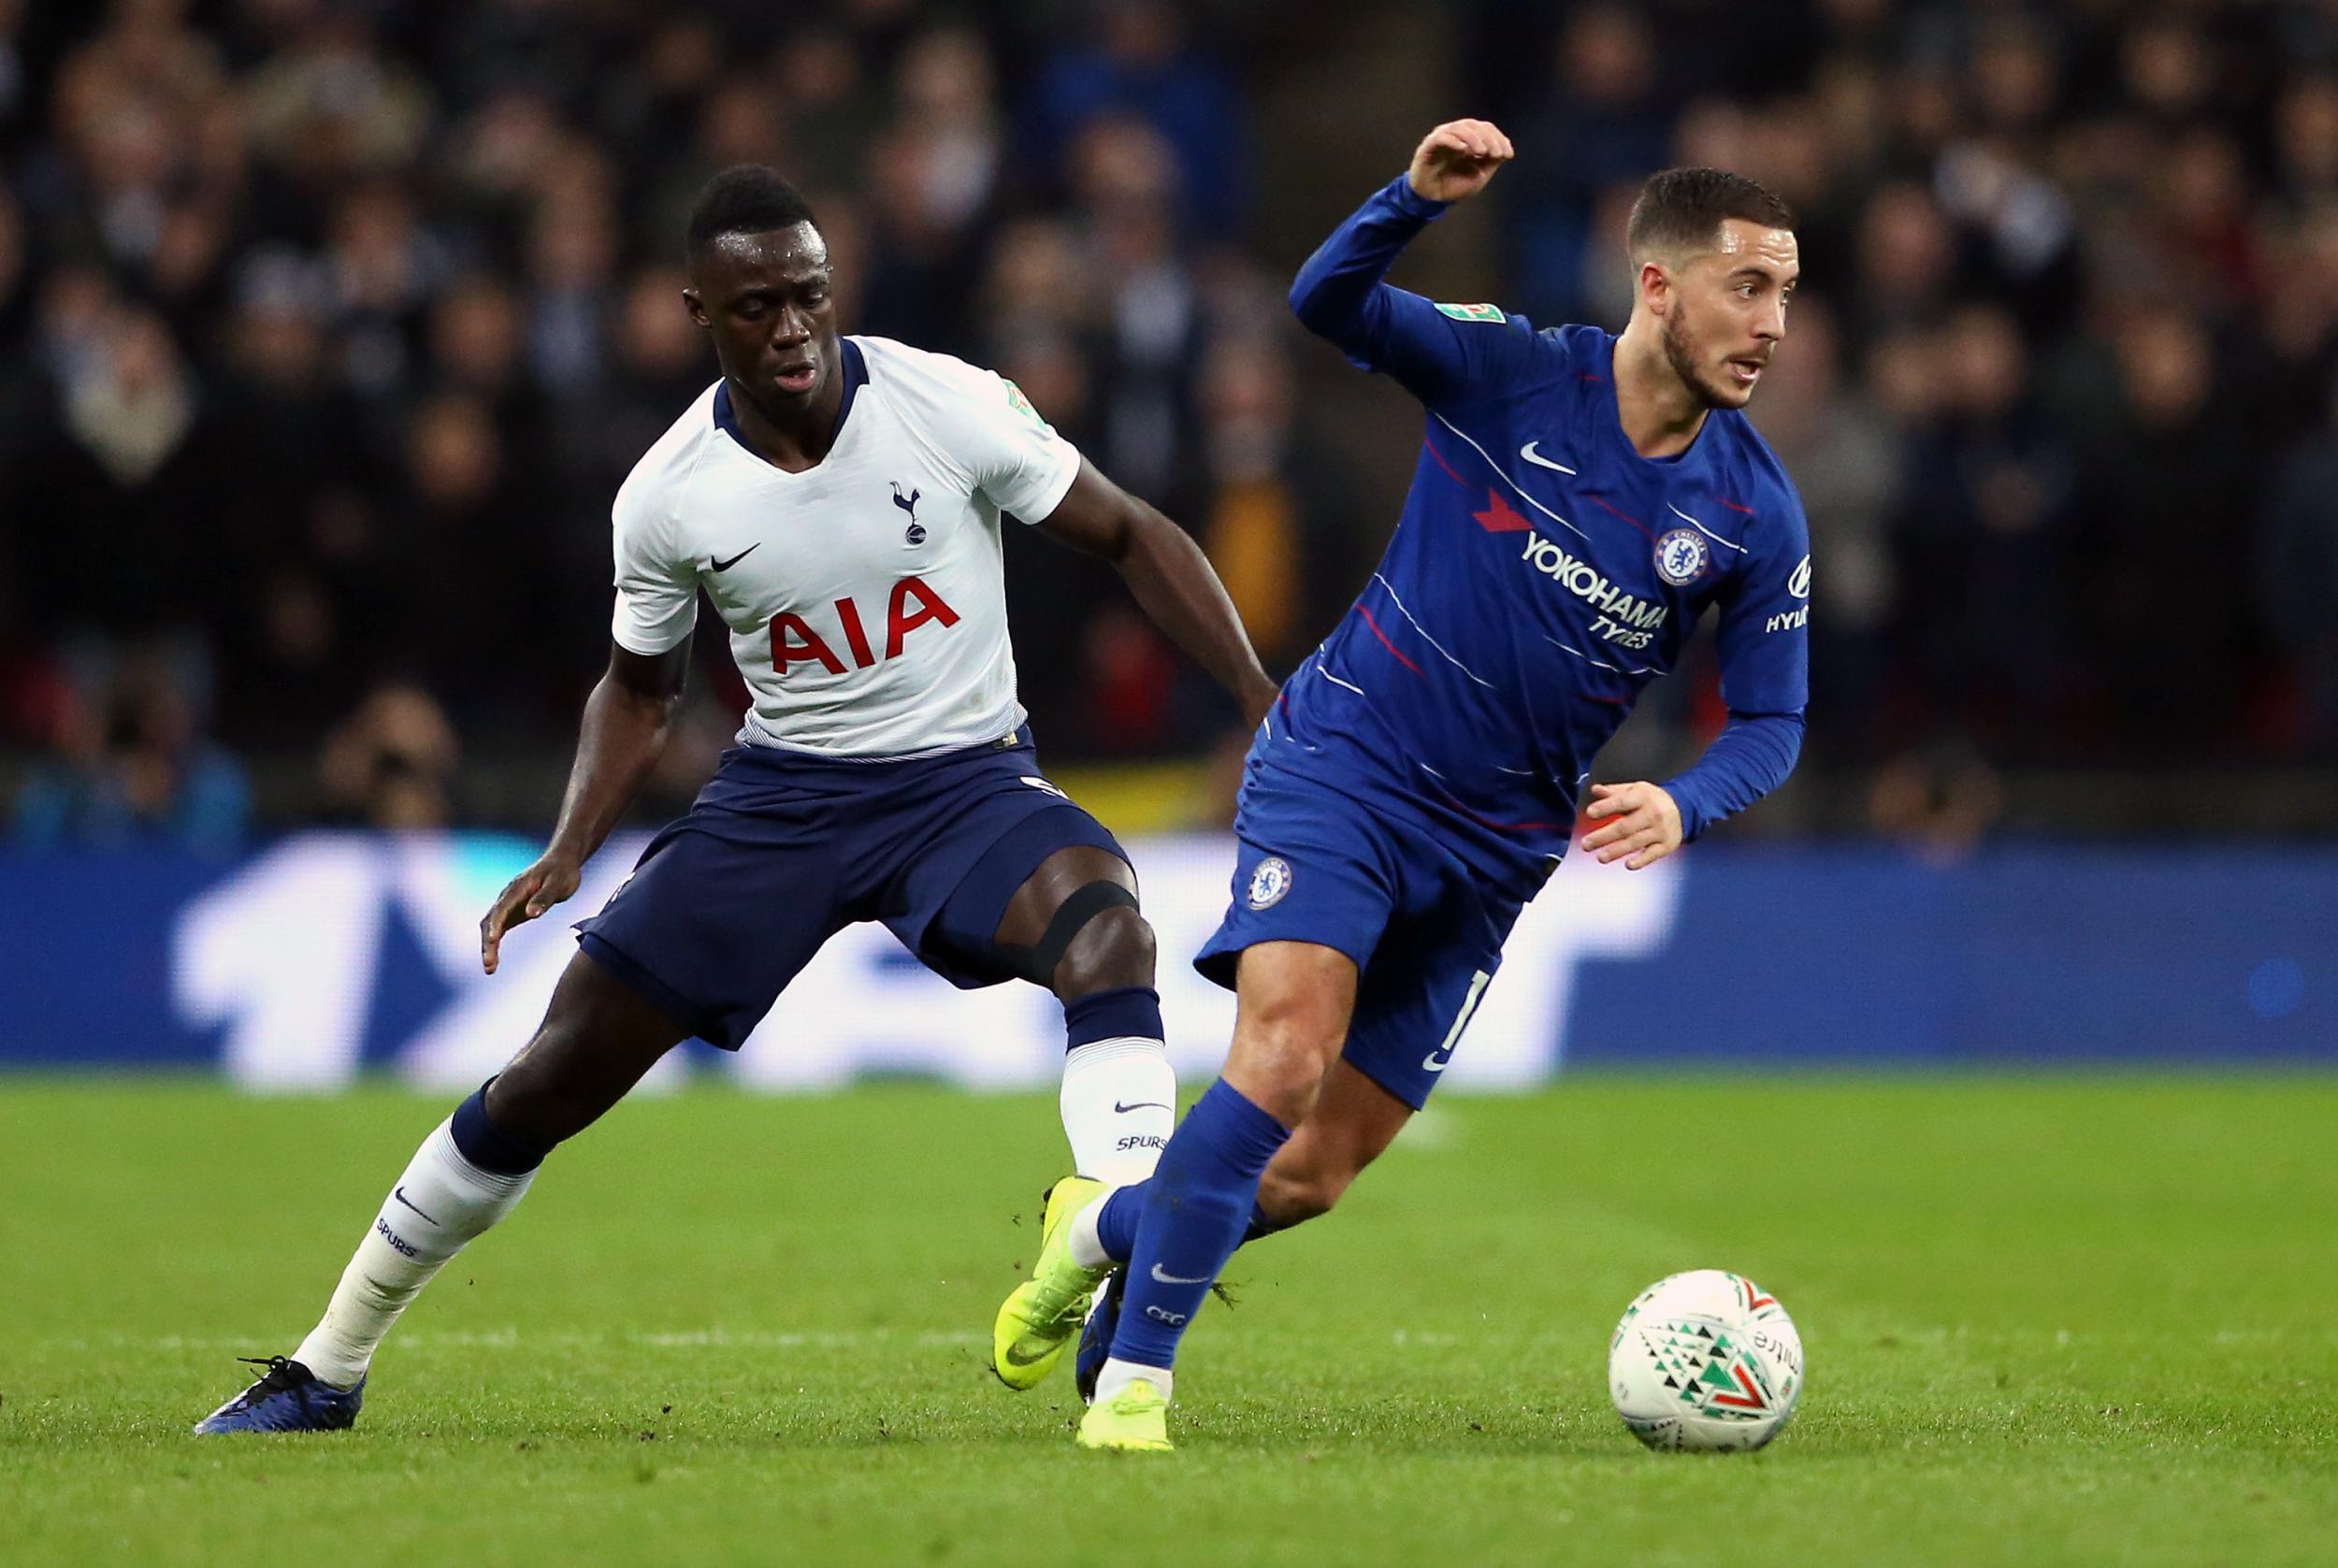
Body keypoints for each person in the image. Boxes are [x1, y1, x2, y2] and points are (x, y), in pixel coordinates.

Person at [195, 165, 1277, 1433]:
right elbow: (639, 691)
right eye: (758, 305)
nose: (794, 327)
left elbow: (1133, 532)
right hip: (785, 800)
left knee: (1112, 934)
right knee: (551, 1075)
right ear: (698, 310)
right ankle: (327, 1364)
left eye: (810, 296)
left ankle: (1122, 1279)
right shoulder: (668, 495)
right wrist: (569, 845)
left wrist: (1264, 700)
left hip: (965, 781)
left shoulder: (947, 400)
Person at [991, 121, 1811, 1452]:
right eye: (1749, 286)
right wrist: (1407, 203)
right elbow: (1326, 302)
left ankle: (1098, 1226)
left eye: (1787, 292)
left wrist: (1685, 800)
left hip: (1498, 848)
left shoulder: (1754, 510)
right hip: (1351, 763)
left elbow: (1773, 722)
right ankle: (1135, 1380)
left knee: (1311, 1172)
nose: (1774, 322)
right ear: (1657, 287)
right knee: (1284, 1052)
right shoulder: (1509, 371)